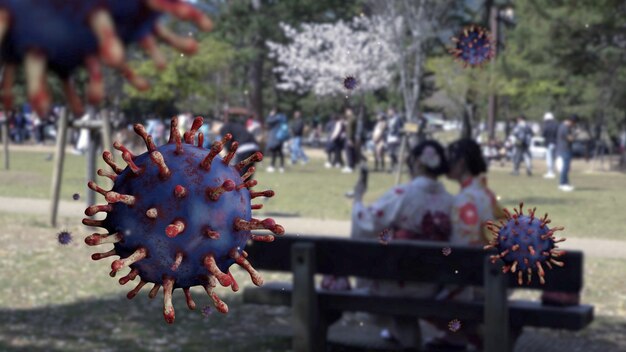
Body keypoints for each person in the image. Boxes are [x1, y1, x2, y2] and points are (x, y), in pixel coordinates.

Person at [352, 140, 454, 350]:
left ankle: (397, 331)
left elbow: (365, 222)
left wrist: (358, 198)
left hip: (396, 282)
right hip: (434, 286)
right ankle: (401, 333)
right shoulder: (452, 201)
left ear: (416, 163)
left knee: (382, 242)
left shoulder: (402, 194)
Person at [425, 138, 506, 350]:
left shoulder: (464, 201)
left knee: (422, 295)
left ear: (460, 163)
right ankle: (461, 334)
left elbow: (459, 254)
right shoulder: (487, 195)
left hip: (472, 282)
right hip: (495, 277)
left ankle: (460, 335)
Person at [556, 115, 578, 191]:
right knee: (565, 167)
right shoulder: (564, 128)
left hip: (564, 149)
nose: (573, 125)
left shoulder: (563, 126)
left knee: (566, 167)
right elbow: (570, 139)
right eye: (574, 123)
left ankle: (566, 183)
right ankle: (562, 184)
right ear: (571, 121)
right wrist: (576, 134)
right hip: (565, 149)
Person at [265, 108, 288, 173]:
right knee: (280, 151)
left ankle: (272, 166)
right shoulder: (282, 117)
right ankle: (281, 167)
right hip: (281, 137)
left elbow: (268, 121)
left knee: (274, 151)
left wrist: (271, 115)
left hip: (275, 137)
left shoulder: (276, 118)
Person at [385, 108, 403, 173]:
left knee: (392, 153)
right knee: (390, 153)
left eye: (389, 111)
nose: (388, 113)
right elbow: (388, 128)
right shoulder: (389, 119)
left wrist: (398, 136)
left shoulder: (398, 118)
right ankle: (393, 167)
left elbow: (400, 128)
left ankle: (395, 167)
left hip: (395, 138)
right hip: (389, 138)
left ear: (393, 111)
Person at [542, 112, 559, 178]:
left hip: (549, 143)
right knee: (554, 158)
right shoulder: (556, 125)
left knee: (549, 158)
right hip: (556, 143)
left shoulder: (546, 125)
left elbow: (543, 134)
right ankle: (554, 171)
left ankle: (550, 172)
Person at [343, 108, 357, 173]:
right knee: (350, 152)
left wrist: (350, 139)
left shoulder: (352, 119)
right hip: (349, 137)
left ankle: (350, 166)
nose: (346, 113)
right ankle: (351, 166)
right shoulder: (349, 119)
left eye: (347, 111)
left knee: (349, 152)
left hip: (350, 138)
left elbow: (350, 130)